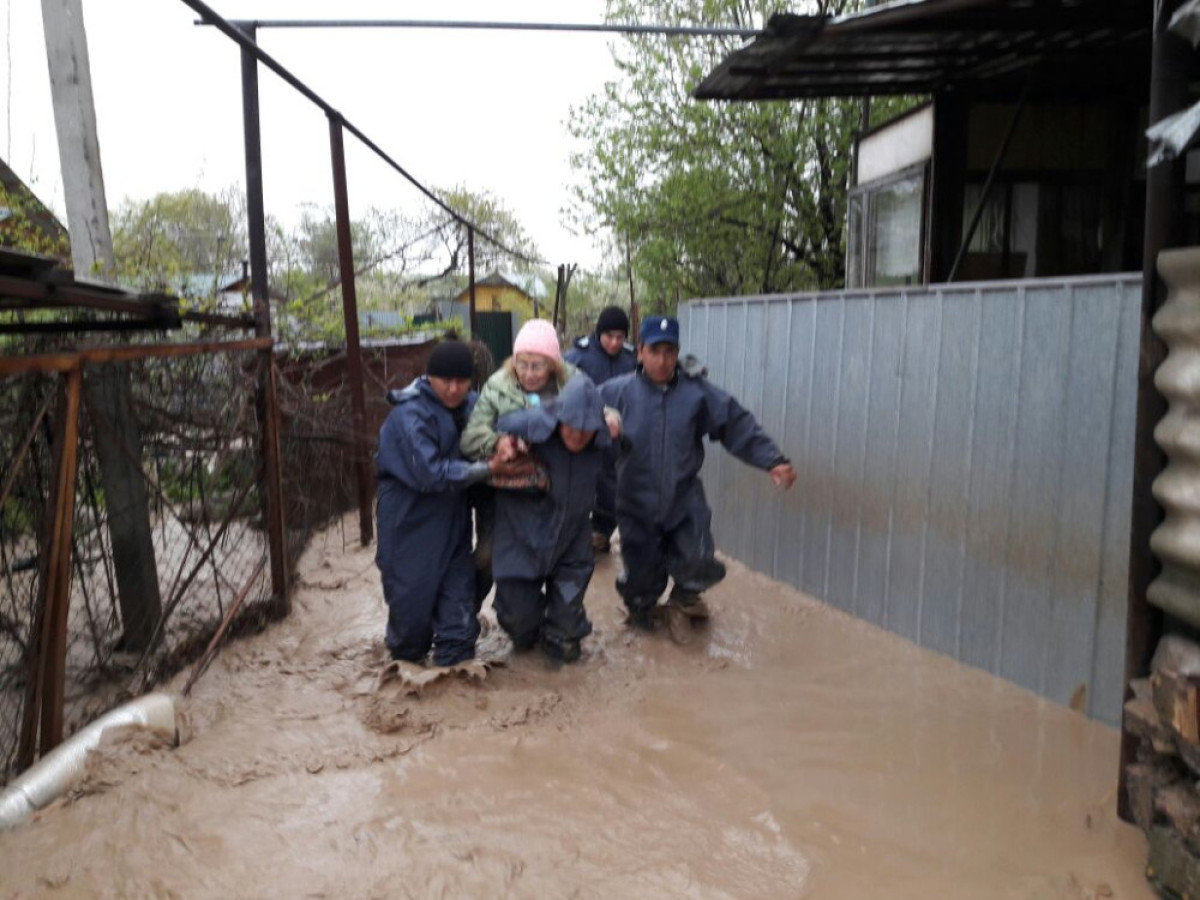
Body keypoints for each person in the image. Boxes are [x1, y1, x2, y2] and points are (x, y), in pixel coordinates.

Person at [599, 315, 797, 638]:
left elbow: (736, 424)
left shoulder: (697, 393)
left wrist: (772, 460)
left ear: (677, 354)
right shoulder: (615, 393)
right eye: (654, 351)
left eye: (670, 352)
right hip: (636, 501)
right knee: (640, 583)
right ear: (639, 353)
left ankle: (683, 601)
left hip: (684, 498)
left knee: (699, 557)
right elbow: (574, 420)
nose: (662, 360)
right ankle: (643, 612)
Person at [375, 340, 529, 666]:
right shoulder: (410, 415)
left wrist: (507, 444)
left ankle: (454, 702)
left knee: (459, 637)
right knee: (409, 641)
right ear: (430, 377)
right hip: (409, 530)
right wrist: (488, 468)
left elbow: (511, 419)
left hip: (453, 531)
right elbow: (430, 474)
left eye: (462, 381)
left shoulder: (474, 405)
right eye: (446, 381)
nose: (454, 389)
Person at [491, 374, 611, 663]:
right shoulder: (526, 426)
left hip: (572, 550)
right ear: (559, 416)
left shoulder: (605, 444)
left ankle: (560, 624)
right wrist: (500, 441)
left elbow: (617, 486)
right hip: (522, 545)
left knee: (566, 641)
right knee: (519, 628)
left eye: (587, 429)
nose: (578, 435)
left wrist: (605, 528)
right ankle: (533, 621)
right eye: (572, 424)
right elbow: (483, 431)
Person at [565, 306, 637, 553]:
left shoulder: (632, 359)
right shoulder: (577, 358)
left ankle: (601, 532)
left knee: (613, 488)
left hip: (618, 437)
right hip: (585, 434)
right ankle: (574, 537)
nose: (615, 343)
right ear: (599, 334)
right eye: (610, 336)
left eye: (621, 337)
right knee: (580, 485)